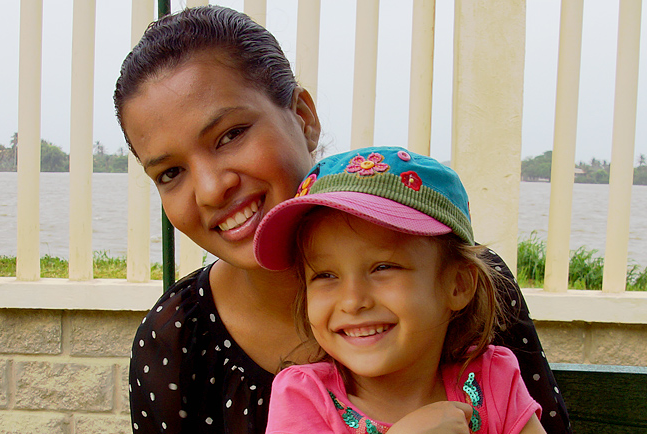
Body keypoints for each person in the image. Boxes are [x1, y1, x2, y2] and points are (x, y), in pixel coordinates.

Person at [113, 5, 570, 434]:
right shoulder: (178, 339)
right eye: (170, 172)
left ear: (304, 117)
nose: (211, 188)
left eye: (230, 134)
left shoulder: (465, 286)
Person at [254, 147, 546, 433]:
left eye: (383, 268)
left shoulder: (493, 380)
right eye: (325, 275)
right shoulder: (303, 398)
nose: (353, 301)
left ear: (458, 285)